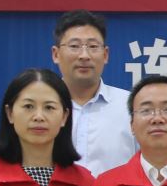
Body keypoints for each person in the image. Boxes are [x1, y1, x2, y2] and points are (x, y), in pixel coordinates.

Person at [51, 10, 136, 176]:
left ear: (105, 55)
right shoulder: (39, 109)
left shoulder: (131, 106)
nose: (84, 56)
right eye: (74, 46)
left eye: (93, 46)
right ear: (56, 54)